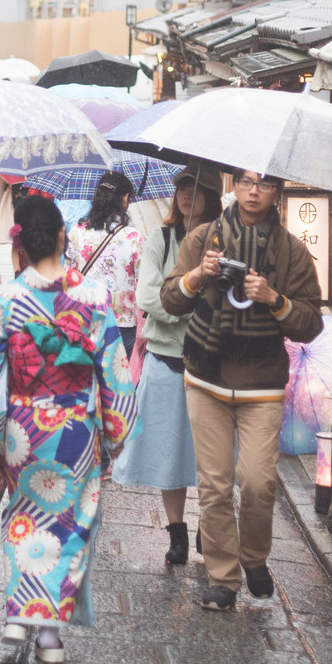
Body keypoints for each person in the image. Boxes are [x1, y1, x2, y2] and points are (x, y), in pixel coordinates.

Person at [0, 194, 137, 663]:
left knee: (25, 518)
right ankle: (47, 634)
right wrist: (113, 435)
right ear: (63, 237)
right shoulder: (93, 297)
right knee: (70, 526)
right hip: (76, 431)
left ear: (19, 244)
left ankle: (17, 615)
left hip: (23, 429)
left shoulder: (5, 299)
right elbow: (114, 371)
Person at [162, 168, 323, 611]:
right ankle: (223, 577)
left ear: (277, 192)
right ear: (233, 186)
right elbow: (171, 299)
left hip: (261, 383)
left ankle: (254, 558)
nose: (254, 191)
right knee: (214, 486)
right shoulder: (202, 237)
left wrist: (275, 299)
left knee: (257, 482)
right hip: (205, 376)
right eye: (247, 182)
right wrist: (197, 276)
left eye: (265, 184)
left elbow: (311, 323)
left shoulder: (291, 250)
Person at [113, 164, 223, 565]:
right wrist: (183, 308)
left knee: (210, 456)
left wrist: (177, 304)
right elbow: (146, 297)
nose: (186, 196)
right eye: (181, 188)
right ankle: (176, 531)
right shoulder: (161, 238)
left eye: (196, 189)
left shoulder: (224, 243)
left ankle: (207, 526)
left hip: (210, 364)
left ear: (213, 197)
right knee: (168, 451)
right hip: (166, 359)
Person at [65, 170, 144, 358]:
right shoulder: (134, 238)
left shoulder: (76, 232)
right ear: (125, 199)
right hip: (120, 326)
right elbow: (144, 282)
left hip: (83, 320)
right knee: (115, 381)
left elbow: (67, 278)